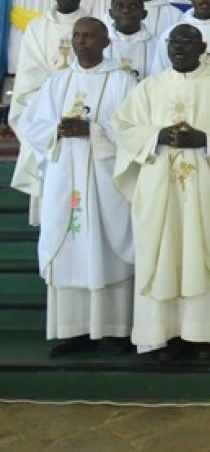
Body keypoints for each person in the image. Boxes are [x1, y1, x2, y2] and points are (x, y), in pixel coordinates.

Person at [113, 24, 210, 359]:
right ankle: (163, 333)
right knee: (165, 252)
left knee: (206, 250)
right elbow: (124, 127)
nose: (180, 48)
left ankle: (206, 334)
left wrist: (205, 139)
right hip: (162, 190)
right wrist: (157, 136)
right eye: (174, 42)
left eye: (188, 42)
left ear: (202, 47)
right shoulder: (149, 88)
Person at [19, 18, 136, 356]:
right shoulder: (57, 82)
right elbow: (32, 124)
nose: (81, 41)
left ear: (106, 42)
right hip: (65, 177)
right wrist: (57, 130)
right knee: (68, 243)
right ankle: (75, 330)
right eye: (77, 36)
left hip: (104, 181)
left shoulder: (123, 82)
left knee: (107, 246)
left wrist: (93, 132)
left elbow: (133, 129)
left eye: (89, 36)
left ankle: (116, 329)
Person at [10, 0, 88, 224]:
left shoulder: (93, 25)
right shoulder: (37, 28)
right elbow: (29, 73)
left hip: (83, 110)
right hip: (48, 111)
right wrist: (55, 92)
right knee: (53, 208)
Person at [105, 0, 162, 80]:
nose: (126, 10)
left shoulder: (158, 45)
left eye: (133, 7)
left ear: (144, 14)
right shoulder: (101, 44)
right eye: (120, 6)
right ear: (111, 14)